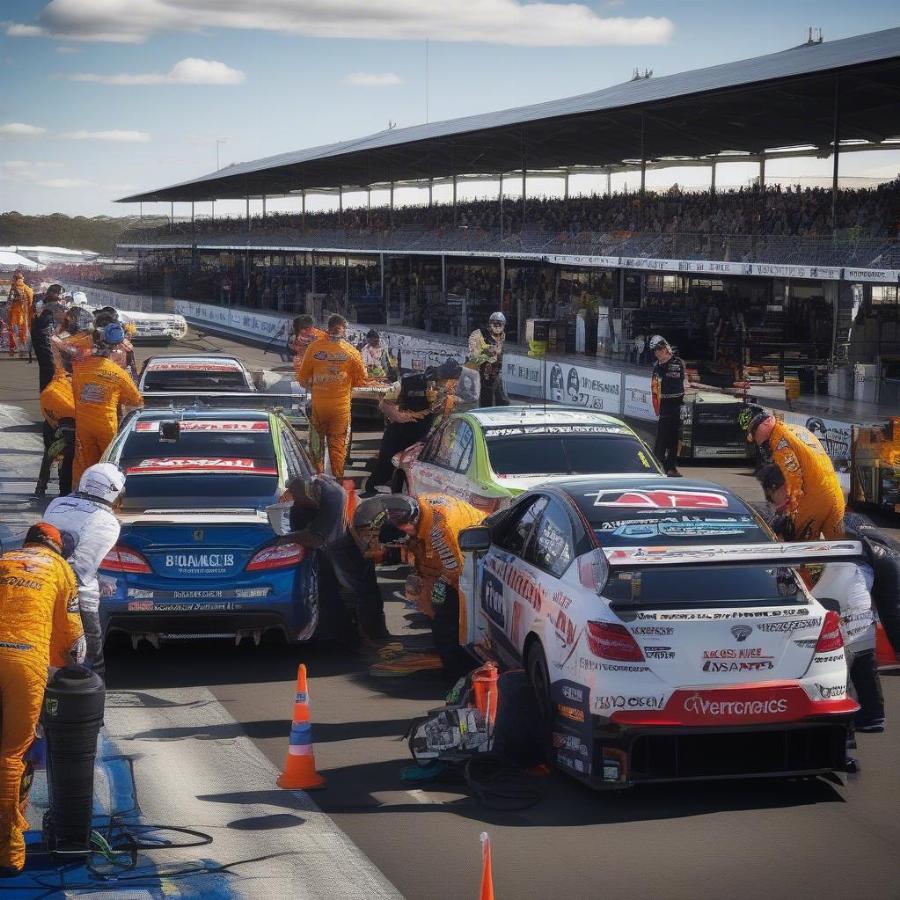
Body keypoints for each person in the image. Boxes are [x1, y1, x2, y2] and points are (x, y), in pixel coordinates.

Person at [759, 467, 885, 732]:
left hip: (850, 574)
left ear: (781, 487)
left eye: (771, 495)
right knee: (849, 647)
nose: (771, 501)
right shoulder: (805, 503)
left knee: (853, 647)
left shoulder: (808, 506)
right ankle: (864, 714)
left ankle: (864, 716)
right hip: (845, 575)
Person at [0, 523, 84, 876]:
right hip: (23, 662)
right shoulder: (62, 570)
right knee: (11, 755)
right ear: (59, 548)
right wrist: (74, 679)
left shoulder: (4, 560)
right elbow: (72, 641)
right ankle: (9, 854)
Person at [355, 494, 486, 679]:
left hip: (469, 562)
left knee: (446, 621)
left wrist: (434, 598)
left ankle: (458, 676)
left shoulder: (440, 530)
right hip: (449, 561)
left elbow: (455, 572)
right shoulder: (412, 506)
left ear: (411, 522)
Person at [274, 475, 387, 643]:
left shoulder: (334, 496)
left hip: (349, 541)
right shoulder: (301, 500)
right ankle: (344, 633)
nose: (297, 503)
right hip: (330, 542)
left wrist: (286, 539)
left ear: (310, 495)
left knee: (362, 588)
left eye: (299, 500)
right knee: (327, 585)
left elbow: (317, 538)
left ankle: (375, 635)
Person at [44, 464, 125, 678]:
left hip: (43, 586)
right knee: (91, 664)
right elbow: (82, 569)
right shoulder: (107, 522)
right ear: (113, 491)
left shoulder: (57, 503)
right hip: (79, 599)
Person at [742, 405, 844, 540]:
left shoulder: (779, 443)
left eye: (754, 434)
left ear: (763, 425)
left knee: (804, 551)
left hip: (813, 501)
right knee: (841, 550)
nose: (756, 440)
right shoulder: (797, 429)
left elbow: (794, 477)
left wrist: (789, 509)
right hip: (835, 496)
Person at [363, 358, 462, 496]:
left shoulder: (449, 393)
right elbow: (386, 403)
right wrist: (397, 415)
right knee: (385, 464)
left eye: (451, 382)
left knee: (411, 472)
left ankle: (401, 496)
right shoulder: (408, 382)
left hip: (422, 437)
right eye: (446, 381)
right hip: (399, 433)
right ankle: (371, 491)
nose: (447, 385)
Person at [295, 314, 368, 479]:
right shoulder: (351, 351)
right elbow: (362, 380)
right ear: (344, 329)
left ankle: (317, 481)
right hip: (340, 410)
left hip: (319, 408)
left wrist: (318, 386)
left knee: (315, 446)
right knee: (337, 448)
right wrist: (342, 384)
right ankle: (337, 483)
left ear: (328, 328)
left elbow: (302, 379)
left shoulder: (314, 348)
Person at [71, 323, 144, 488]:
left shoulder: (80, 368)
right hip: (106, 424)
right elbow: (136, 399)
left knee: (85, 463)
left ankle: (83, 492)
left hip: (83, 425)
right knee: (108, 464)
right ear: (115, 349)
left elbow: (75, 393)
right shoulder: (117, 373)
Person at [34, 358, 76, 499]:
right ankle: (43, 486)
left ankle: (42, 487)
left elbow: (45, 408)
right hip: (60, 426)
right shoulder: (71, 384)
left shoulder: (56, 385)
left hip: (57, 424)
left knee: (50, 456)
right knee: (52, 456)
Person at [649, 334, 685, 476]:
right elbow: (655, 387)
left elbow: (675, 382)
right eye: (655, 350)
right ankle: (657, 463)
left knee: (675, 437)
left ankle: (671, 467)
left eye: (659, 349)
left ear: (665, 348)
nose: (657, 352)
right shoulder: (657, 366)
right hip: (664, 404)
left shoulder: (676, 363)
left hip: (676, 403)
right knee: (661, 436)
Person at [467, 311, 509, 407]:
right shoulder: (480, 334)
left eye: (500, 324)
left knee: (501, 399)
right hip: (483, 370)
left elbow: (500, 351)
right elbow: (473, 354)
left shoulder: (502, 335)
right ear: (490, 323)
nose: (498, 326)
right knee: (486, 395)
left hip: (496, 369)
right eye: (495, 323)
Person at [30, 286, 64, 391]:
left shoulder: (39, 303)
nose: (61, 297)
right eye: (60, 294)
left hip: (40, 342)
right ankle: (49, 395)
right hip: (47, 344)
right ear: (52, 293)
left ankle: (46, 394)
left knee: (45, 371)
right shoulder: (52, 308)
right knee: (50, 371)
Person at [5, 273, 32, 355]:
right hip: (25, 314)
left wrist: (8, 311)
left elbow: (10, 302)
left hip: (15, 314)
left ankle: (15, 348)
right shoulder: (27, 288)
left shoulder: (14, 288)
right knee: (23, 330)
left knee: (13, 330)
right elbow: (30, 302)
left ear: (15, 279)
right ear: (22, 278)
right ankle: (23, 348)